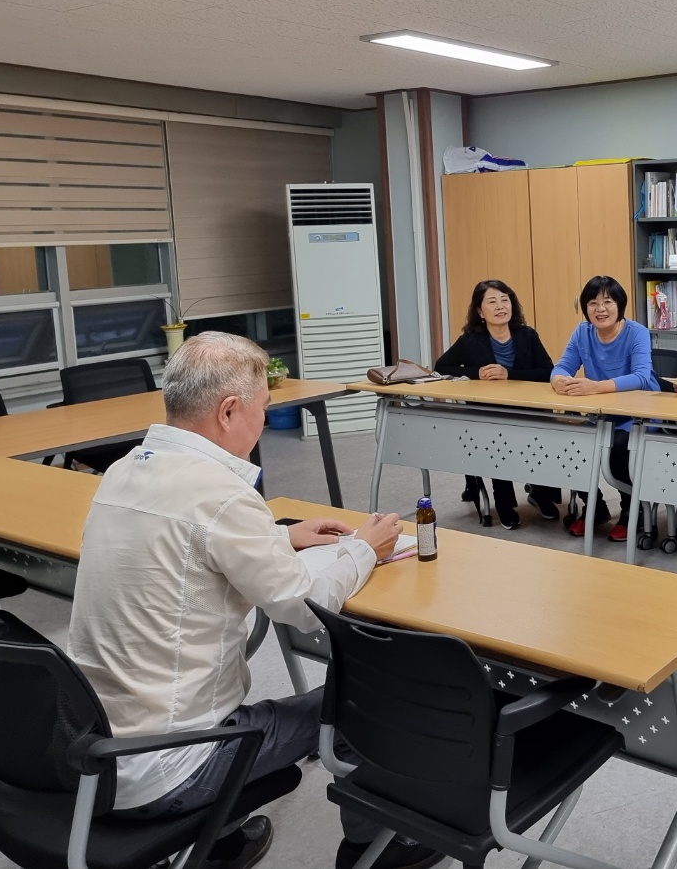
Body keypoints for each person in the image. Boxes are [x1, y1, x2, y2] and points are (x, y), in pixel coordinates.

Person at [68, 332, 442, 869]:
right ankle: (374, 852)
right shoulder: (221, 494)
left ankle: (221, 843)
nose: (265, 421)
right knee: (367, 700)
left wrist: (278, 535)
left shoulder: (125, 469)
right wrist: (364, 548)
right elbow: (305, 608)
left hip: (96, 751)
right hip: (171, 765)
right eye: (262, 408)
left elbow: (185, 541)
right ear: (227, 411)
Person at [435, 279, 560, 529]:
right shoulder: (471, 340)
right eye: (492, 302)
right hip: (490, 413)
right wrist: (476, 372)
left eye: (505, 300)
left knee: (548, 435)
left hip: (530, 410)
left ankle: (540, 493)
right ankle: (504, 503)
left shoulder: (527, 335)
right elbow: (441, 367)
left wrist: (509, 374)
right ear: (480, 312)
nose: (501, 306)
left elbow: (548, 371)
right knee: (496, 438)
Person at [550, 275, 658, 542]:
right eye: (593, 303)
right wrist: (558, 380)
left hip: (638, 415)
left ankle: (632, 512)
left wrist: (596, 387)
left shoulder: (637, 332)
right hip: (600, 414)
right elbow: (562, 366)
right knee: (570, 445)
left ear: (620, 304)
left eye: (608, 302)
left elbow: (642, 377)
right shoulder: (582, 332)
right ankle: (595, 508)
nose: (600, 309)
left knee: (618, 450)